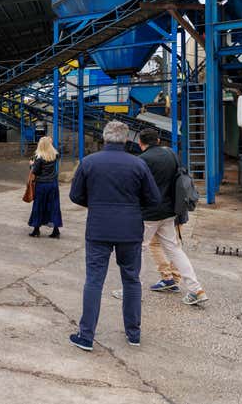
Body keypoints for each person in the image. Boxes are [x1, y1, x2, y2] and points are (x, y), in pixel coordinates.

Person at [68, 121, 161, 351]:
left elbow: (75, 195)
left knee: (94, 280)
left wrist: (97, 205)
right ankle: (134, 334)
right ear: (127, 139)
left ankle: (86, 335)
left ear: (105, 137)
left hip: (98, 228)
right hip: (130, 230)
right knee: (131, 280)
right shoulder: (138, 165)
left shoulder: (89, 162)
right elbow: (154, 199)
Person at [122, 128, 208, 305]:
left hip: (148, 214)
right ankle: (196, 289)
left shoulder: (141, 161)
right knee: (175, 250)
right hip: (169, 212)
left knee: (138, 249)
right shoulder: (171, 154)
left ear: (140, 143)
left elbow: (134, 189)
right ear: (158, 140)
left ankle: (130, 290)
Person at [28, 136, 62, 239]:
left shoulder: (39, 158)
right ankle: (56, 230)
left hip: (42, 185)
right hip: (53, 184)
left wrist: (31, 165)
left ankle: (36, 230)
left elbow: (35, 172)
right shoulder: (55, 155)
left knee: (39, 206)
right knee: (54, 206)